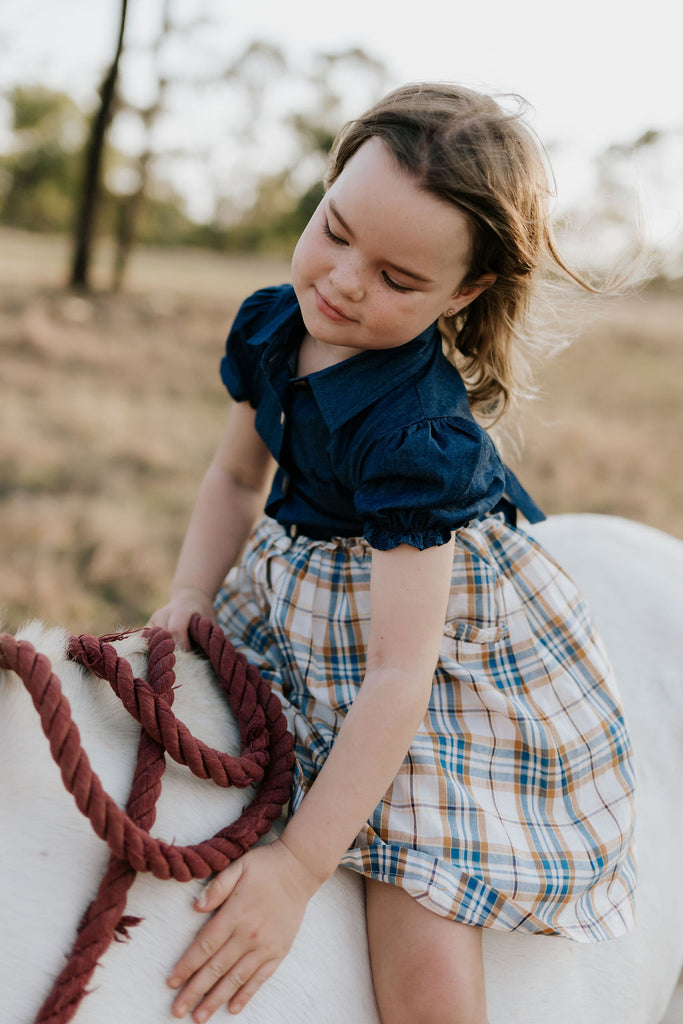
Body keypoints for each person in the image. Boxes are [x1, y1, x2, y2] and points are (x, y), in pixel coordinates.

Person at [150, 82, 636, 1024]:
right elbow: (235, 480)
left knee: (418, 954)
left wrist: (296, 868)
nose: (341, 281)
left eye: (397, 280)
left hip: (428, 657)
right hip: (295, 589)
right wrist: (186, 594)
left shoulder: (416, 436)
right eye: (334, 230)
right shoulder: (271, 325)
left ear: (465, 291)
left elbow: (398, 675)